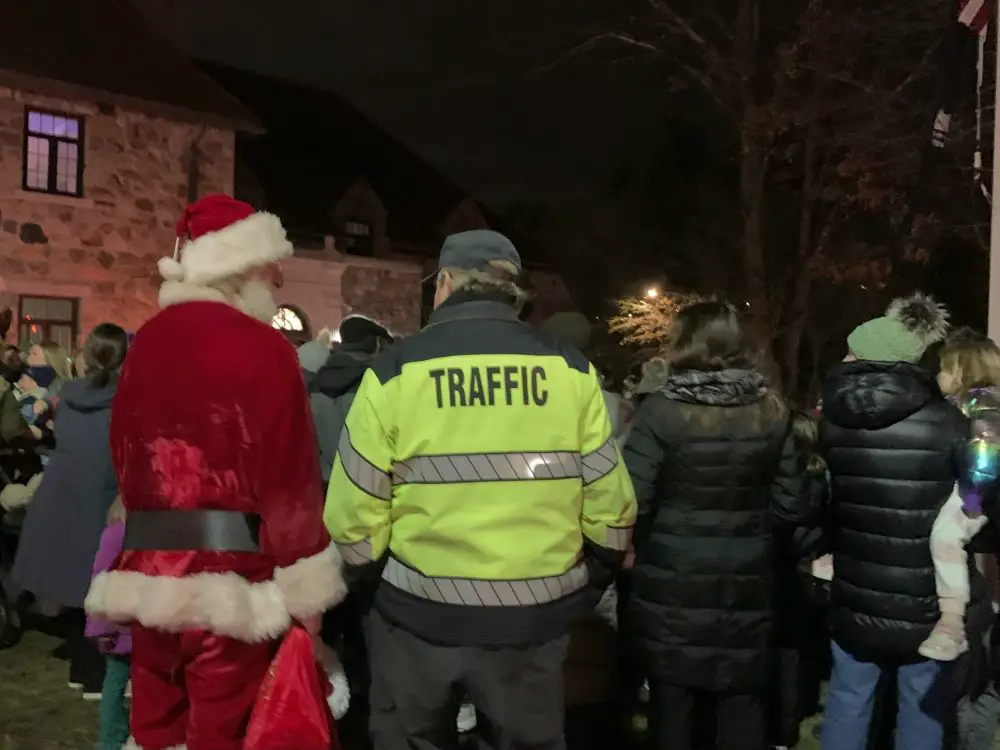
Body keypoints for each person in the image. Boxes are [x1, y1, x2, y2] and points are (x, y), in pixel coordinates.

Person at [324, 229, 637, 750]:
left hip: (417, 613)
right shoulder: (570, 370)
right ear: (511, 289)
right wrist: (585, 579)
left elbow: (354, 508)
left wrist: (376, 582)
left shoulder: (396, 371)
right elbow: (611, 506)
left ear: (444, 284)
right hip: (535, 619)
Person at [83, 194, 347, 750]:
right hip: (233, 586)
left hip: (147, 577)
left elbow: (126, 457)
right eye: (266, 268)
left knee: (154, 731)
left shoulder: (147, 342)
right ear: (240, 266)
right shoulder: (266, 350)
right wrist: (306, 592)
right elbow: (288, 484)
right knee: (224, 734)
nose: (273, 280)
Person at [621, 301, 816, 750]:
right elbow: (792, 503)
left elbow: (633, 498)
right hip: (748, 580)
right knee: (742, 701)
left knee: (673, 705)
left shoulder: (661, 411)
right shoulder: (770, 410)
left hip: (673, 580)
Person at [820, 293, 965, 750]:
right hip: (925, 597)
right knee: (921, 710)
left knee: (848, 700)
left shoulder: (833, 422)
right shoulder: (950, 423)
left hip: (854, 588)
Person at [11, 323, 129, 699]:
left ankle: (82, 669)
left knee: (80, 587)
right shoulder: (124, 400)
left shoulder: (68, 396)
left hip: (65, 495)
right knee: (99, 585)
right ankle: (93, 675)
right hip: (101, 497)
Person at [920, 338, 1000, 660]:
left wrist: (973, 498)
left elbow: (986, 452)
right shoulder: (971, 403)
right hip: (973, 487)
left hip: (976, 491)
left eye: (943, 369)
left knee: (945, 536)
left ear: (962, 370)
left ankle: (951, 620)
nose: (937, 376)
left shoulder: (984, 404)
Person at [306, 313, 394, 489]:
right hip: (363, 485)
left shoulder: (317, 380)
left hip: (324, 483)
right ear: (374, 344)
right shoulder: (374, 382)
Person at [86, 496, 131, 750]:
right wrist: (102, 628)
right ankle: (111, 735)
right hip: (120, 625)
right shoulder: (118, 536)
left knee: (117, 681)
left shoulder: (117, 534)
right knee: (116, 682)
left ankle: (118, 732)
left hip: (128, 624)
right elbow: (101, 579)